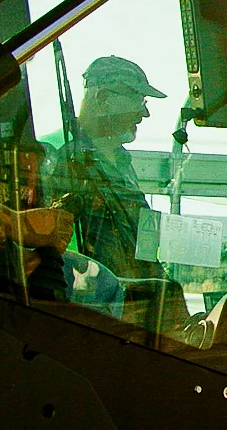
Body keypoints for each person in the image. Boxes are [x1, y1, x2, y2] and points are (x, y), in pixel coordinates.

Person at [46, 55, 164, 278]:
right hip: (84, 292)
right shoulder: (58, 151)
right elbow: (44, 233)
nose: (145, 113)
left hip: (130, 289)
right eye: (138, 100)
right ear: (103, 99)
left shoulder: (121, 160)